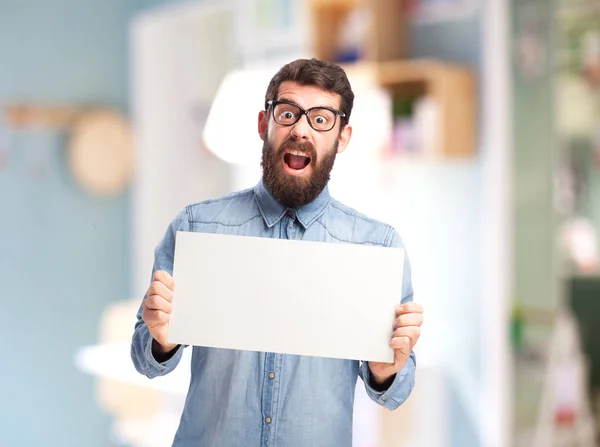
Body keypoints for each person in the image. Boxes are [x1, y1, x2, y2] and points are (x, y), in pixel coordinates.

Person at [131, 58, 424, 447]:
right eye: (287, 113)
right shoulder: (196, 228)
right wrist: (160, 340)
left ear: (343, 137)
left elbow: (395, 390)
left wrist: (387, 371)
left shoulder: (375, 248)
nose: (300, 129)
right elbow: (144, 358)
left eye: (320, 119)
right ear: (263, 124)